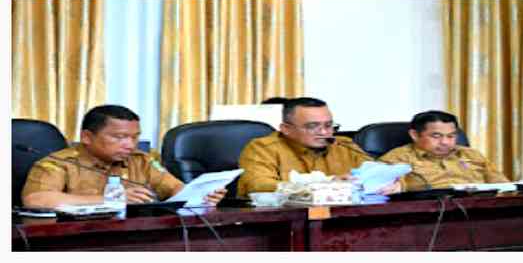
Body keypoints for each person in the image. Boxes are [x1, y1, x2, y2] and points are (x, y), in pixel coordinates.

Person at [22, 105, 226, 208]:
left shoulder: (141, 160)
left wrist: (201, 195)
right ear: (87, 137)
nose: (130, 145)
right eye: (119, 137)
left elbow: (175, 189)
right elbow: (37, 199)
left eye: (135, 137)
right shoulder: (57, 163)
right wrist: (109, 200)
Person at [236, 97, 400, 197]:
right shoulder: (262, 148)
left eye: (328, 125)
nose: (324, 132)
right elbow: (259, 186)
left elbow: (377, 171)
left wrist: (394, 184)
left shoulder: (343, 145)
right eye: (312, 126)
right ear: (286, 129)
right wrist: (326, 183)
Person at [379, 110, 509, 190]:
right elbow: (387, 189)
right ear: (415, 135)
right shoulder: (398, 158)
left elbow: (504, 187)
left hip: (480, 212)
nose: (445, 142)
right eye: (436, 136)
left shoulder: (472, 155)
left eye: (451, 136)